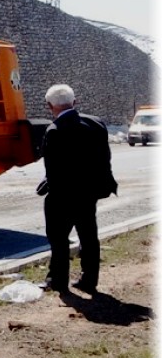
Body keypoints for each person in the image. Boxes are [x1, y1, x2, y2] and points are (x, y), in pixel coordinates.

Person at [37, 84, 112, 295]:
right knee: (89, 236)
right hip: (89, 193)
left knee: (58, 239)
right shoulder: (96, 124)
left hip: (62, 196)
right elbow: (104, 159)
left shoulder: (53, 131)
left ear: (49, 106)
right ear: (74, 102)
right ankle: (89, 281)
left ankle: (58, 280)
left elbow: (53, 170)